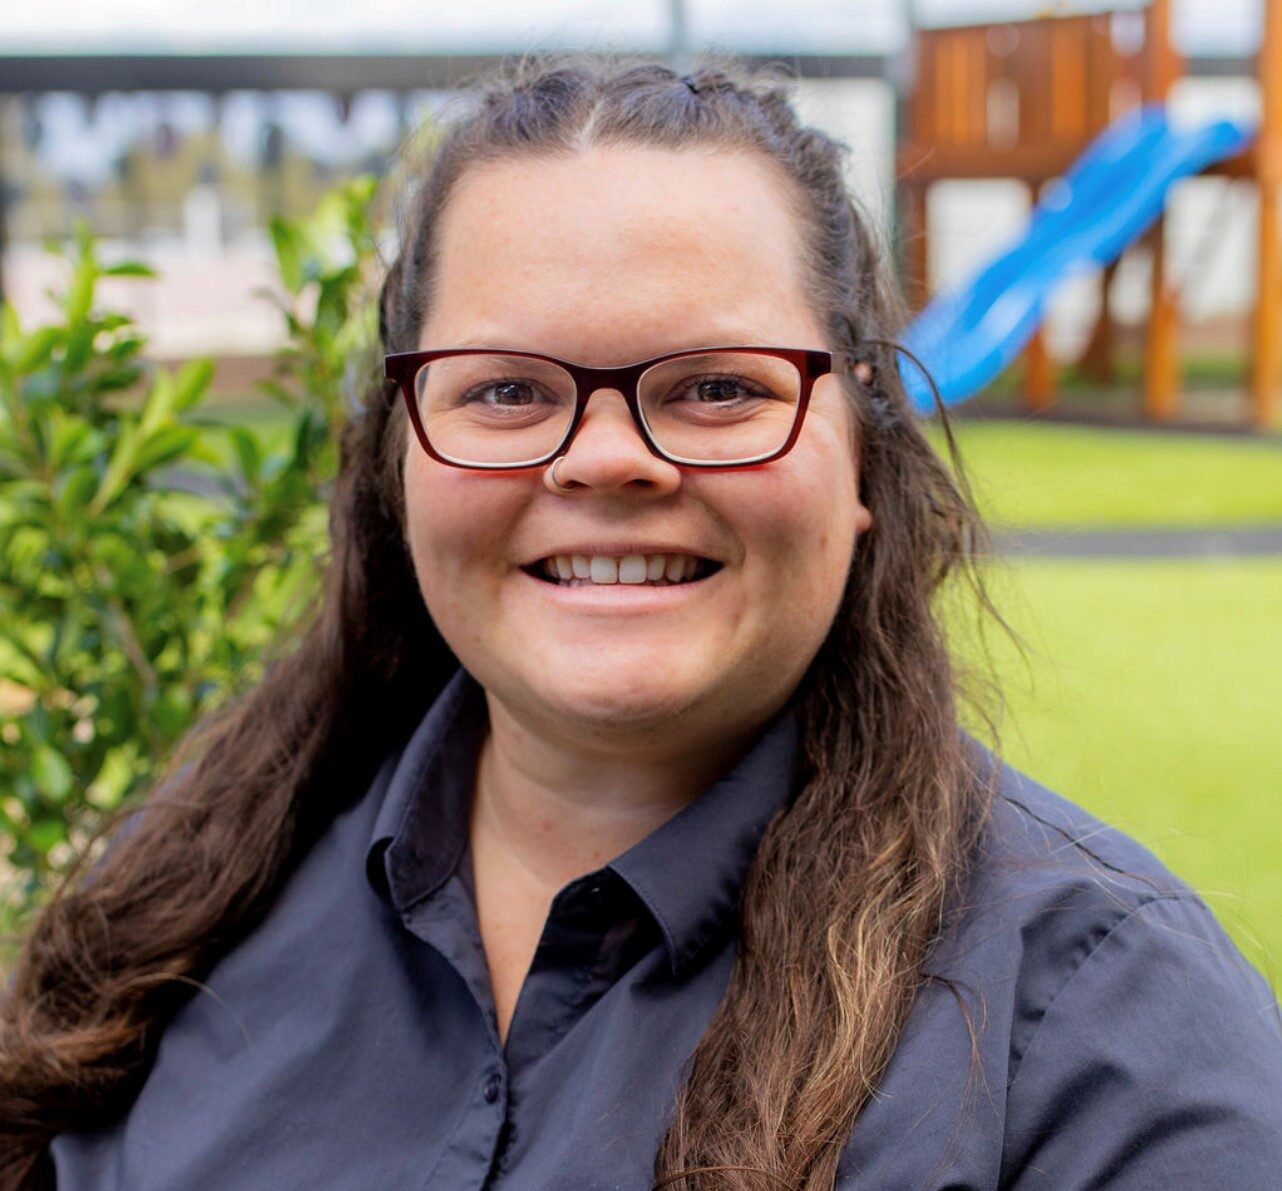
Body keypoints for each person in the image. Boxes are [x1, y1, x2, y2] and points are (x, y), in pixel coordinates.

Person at [3, 58, 1281, 1190]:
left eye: (718, 387)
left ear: (864, 465)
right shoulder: (181, 921)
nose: (606, 459)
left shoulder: (1100, 1031)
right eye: (505, 388)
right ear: (398, 460)